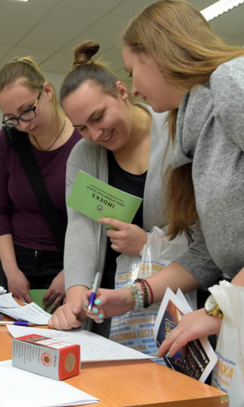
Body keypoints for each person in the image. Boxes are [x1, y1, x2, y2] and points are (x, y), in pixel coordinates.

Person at [81, 0, 244, 358]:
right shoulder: (190, 133)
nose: (134, 88)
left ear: (157, 55)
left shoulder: (230, 82)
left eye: (132, 70)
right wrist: (131, 296)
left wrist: (220, 308)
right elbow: (207, 255)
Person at [47, 41, 170, 339]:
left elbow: (201, 233)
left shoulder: (174, 132)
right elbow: (81, 227)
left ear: (122, 91)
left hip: (177, 295)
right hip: (112, 303)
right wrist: (76, 295)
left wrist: (149, 243)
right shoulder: (84, 155)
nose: (95, 134)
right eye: (81, 128)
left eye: (99, 117)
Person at [0, 56, 82, 312]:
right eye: (11, 118)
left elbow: (96, 220)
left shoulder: (83, 141)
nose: (23, 124)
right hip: (16, 261)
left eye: (28, 109)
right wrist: (11, 271)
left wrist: (74, 271)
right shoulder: (7, 140)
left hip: (67, 260)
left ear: (48, 92)